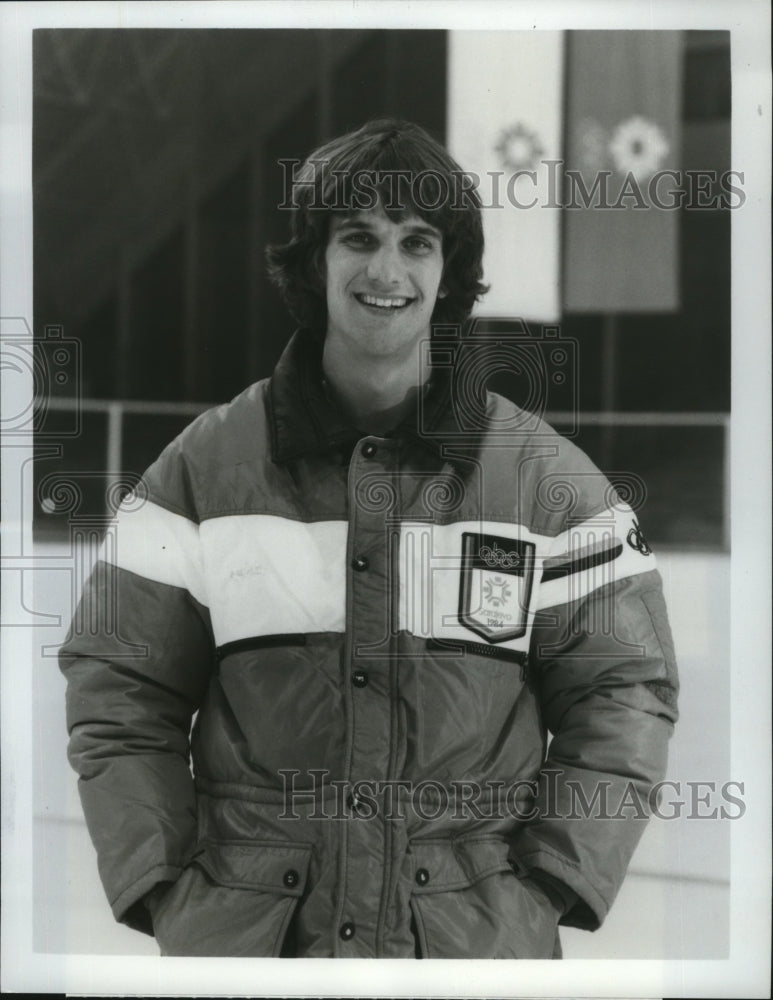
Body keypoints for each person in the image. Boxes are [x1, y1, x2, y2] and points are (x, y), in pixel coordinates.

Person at [59, 118, 679, 959]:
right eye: (358, 237)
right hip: (250, 949)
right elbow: (119, 685)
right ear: (314, 262)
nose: (386, 271)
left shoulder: (546, 480)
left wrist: (545, 888)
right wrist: (165, 886)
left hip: (470, 952)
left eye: (416, 243)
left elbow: (624, 691)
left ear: (448, 272)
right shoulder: (204, 467)